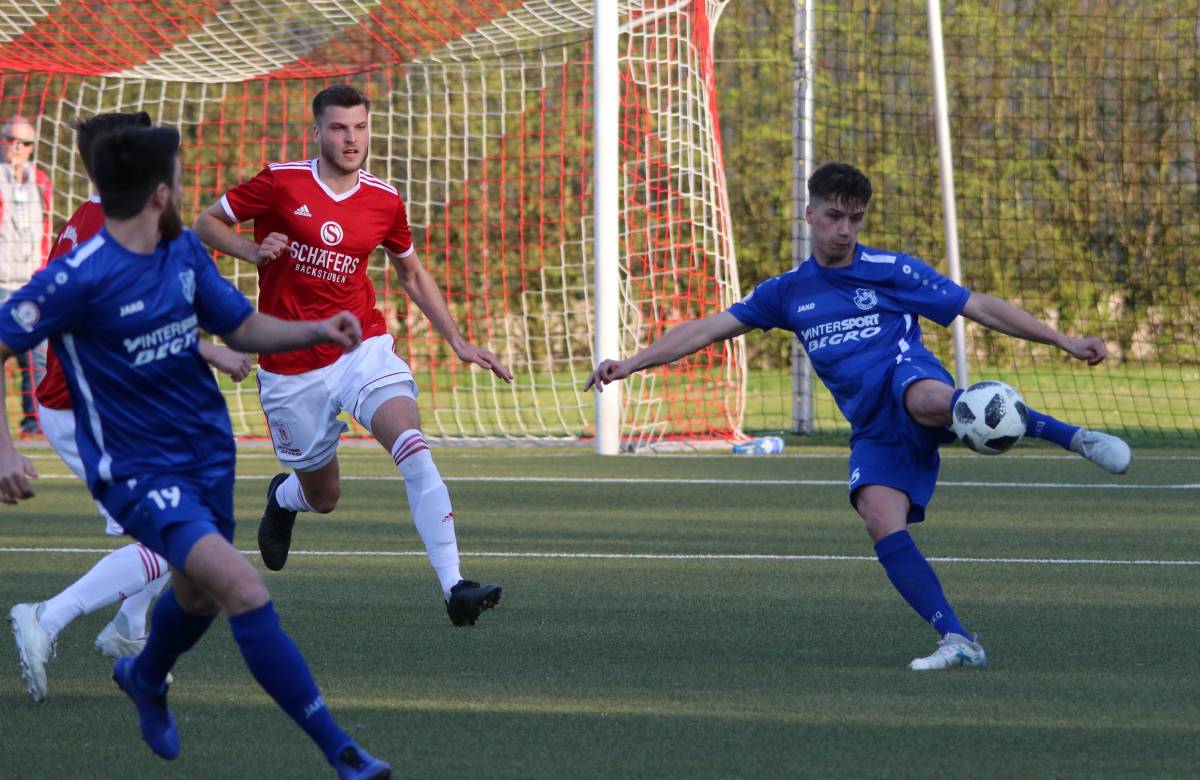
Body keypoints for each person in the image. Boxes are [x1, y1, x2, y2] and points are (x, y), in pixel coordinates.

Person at [585, 161, 1132, 671]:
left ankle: (1074, 437)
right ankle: (958, 639)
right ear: (811, 215)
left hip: (906, 374)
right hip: (872, 425)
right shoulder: (786, 292)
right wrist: (631, 363)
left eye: (855, 218)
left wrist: (1062, 340)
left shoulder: (890, 270)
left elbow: (978, 306)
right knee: (879, 521)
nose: (845, 229)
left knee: (926, 399)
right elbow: (705, 328)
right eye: (834, 216)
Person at [0, 125, 390, 778]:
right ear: (160, 192)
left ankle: (145, 675)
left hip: (205, 455)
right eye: (179, 179)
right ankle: (341, 751)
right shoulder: (76, 275)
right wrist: (4, 449)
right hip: (136, 467)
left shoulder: (179, 250)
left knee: (198, 595)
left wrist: (315, 328)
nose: (185, 189)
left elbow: (240, 325)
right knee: (240, 586)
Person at [193, 84, 513, 626]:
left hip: (360, 346)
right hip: (289, 364)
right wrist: (252, 250)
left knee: (412, 446)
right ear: (317, 131)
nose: (351, 138)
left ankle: (455, 585)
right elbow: (206, 222)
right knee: (324, 496)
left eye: (360, 127)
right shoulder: (280, 181)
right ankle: (285, 497)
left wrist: (458, 340)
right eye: (339, 128)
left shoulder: (385, 200)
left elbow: (411, 271)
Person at [8, 111, 255, 704]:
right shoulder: (107, 229)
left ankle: (129, 629)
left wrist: (205, 350)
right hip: (88, 409)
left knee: (178, 528)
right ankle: (46, 616)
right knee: (175, 538)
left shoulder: (101, 218)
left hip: (111, 406)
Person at [0, 116, 52, 434]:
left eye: (25, 143)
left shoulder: (41, 181)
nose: (17, 148)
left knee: (38, 359)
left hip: (31, 282)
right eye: (10, 139)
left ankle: (37, 425)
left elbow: (46, 229)